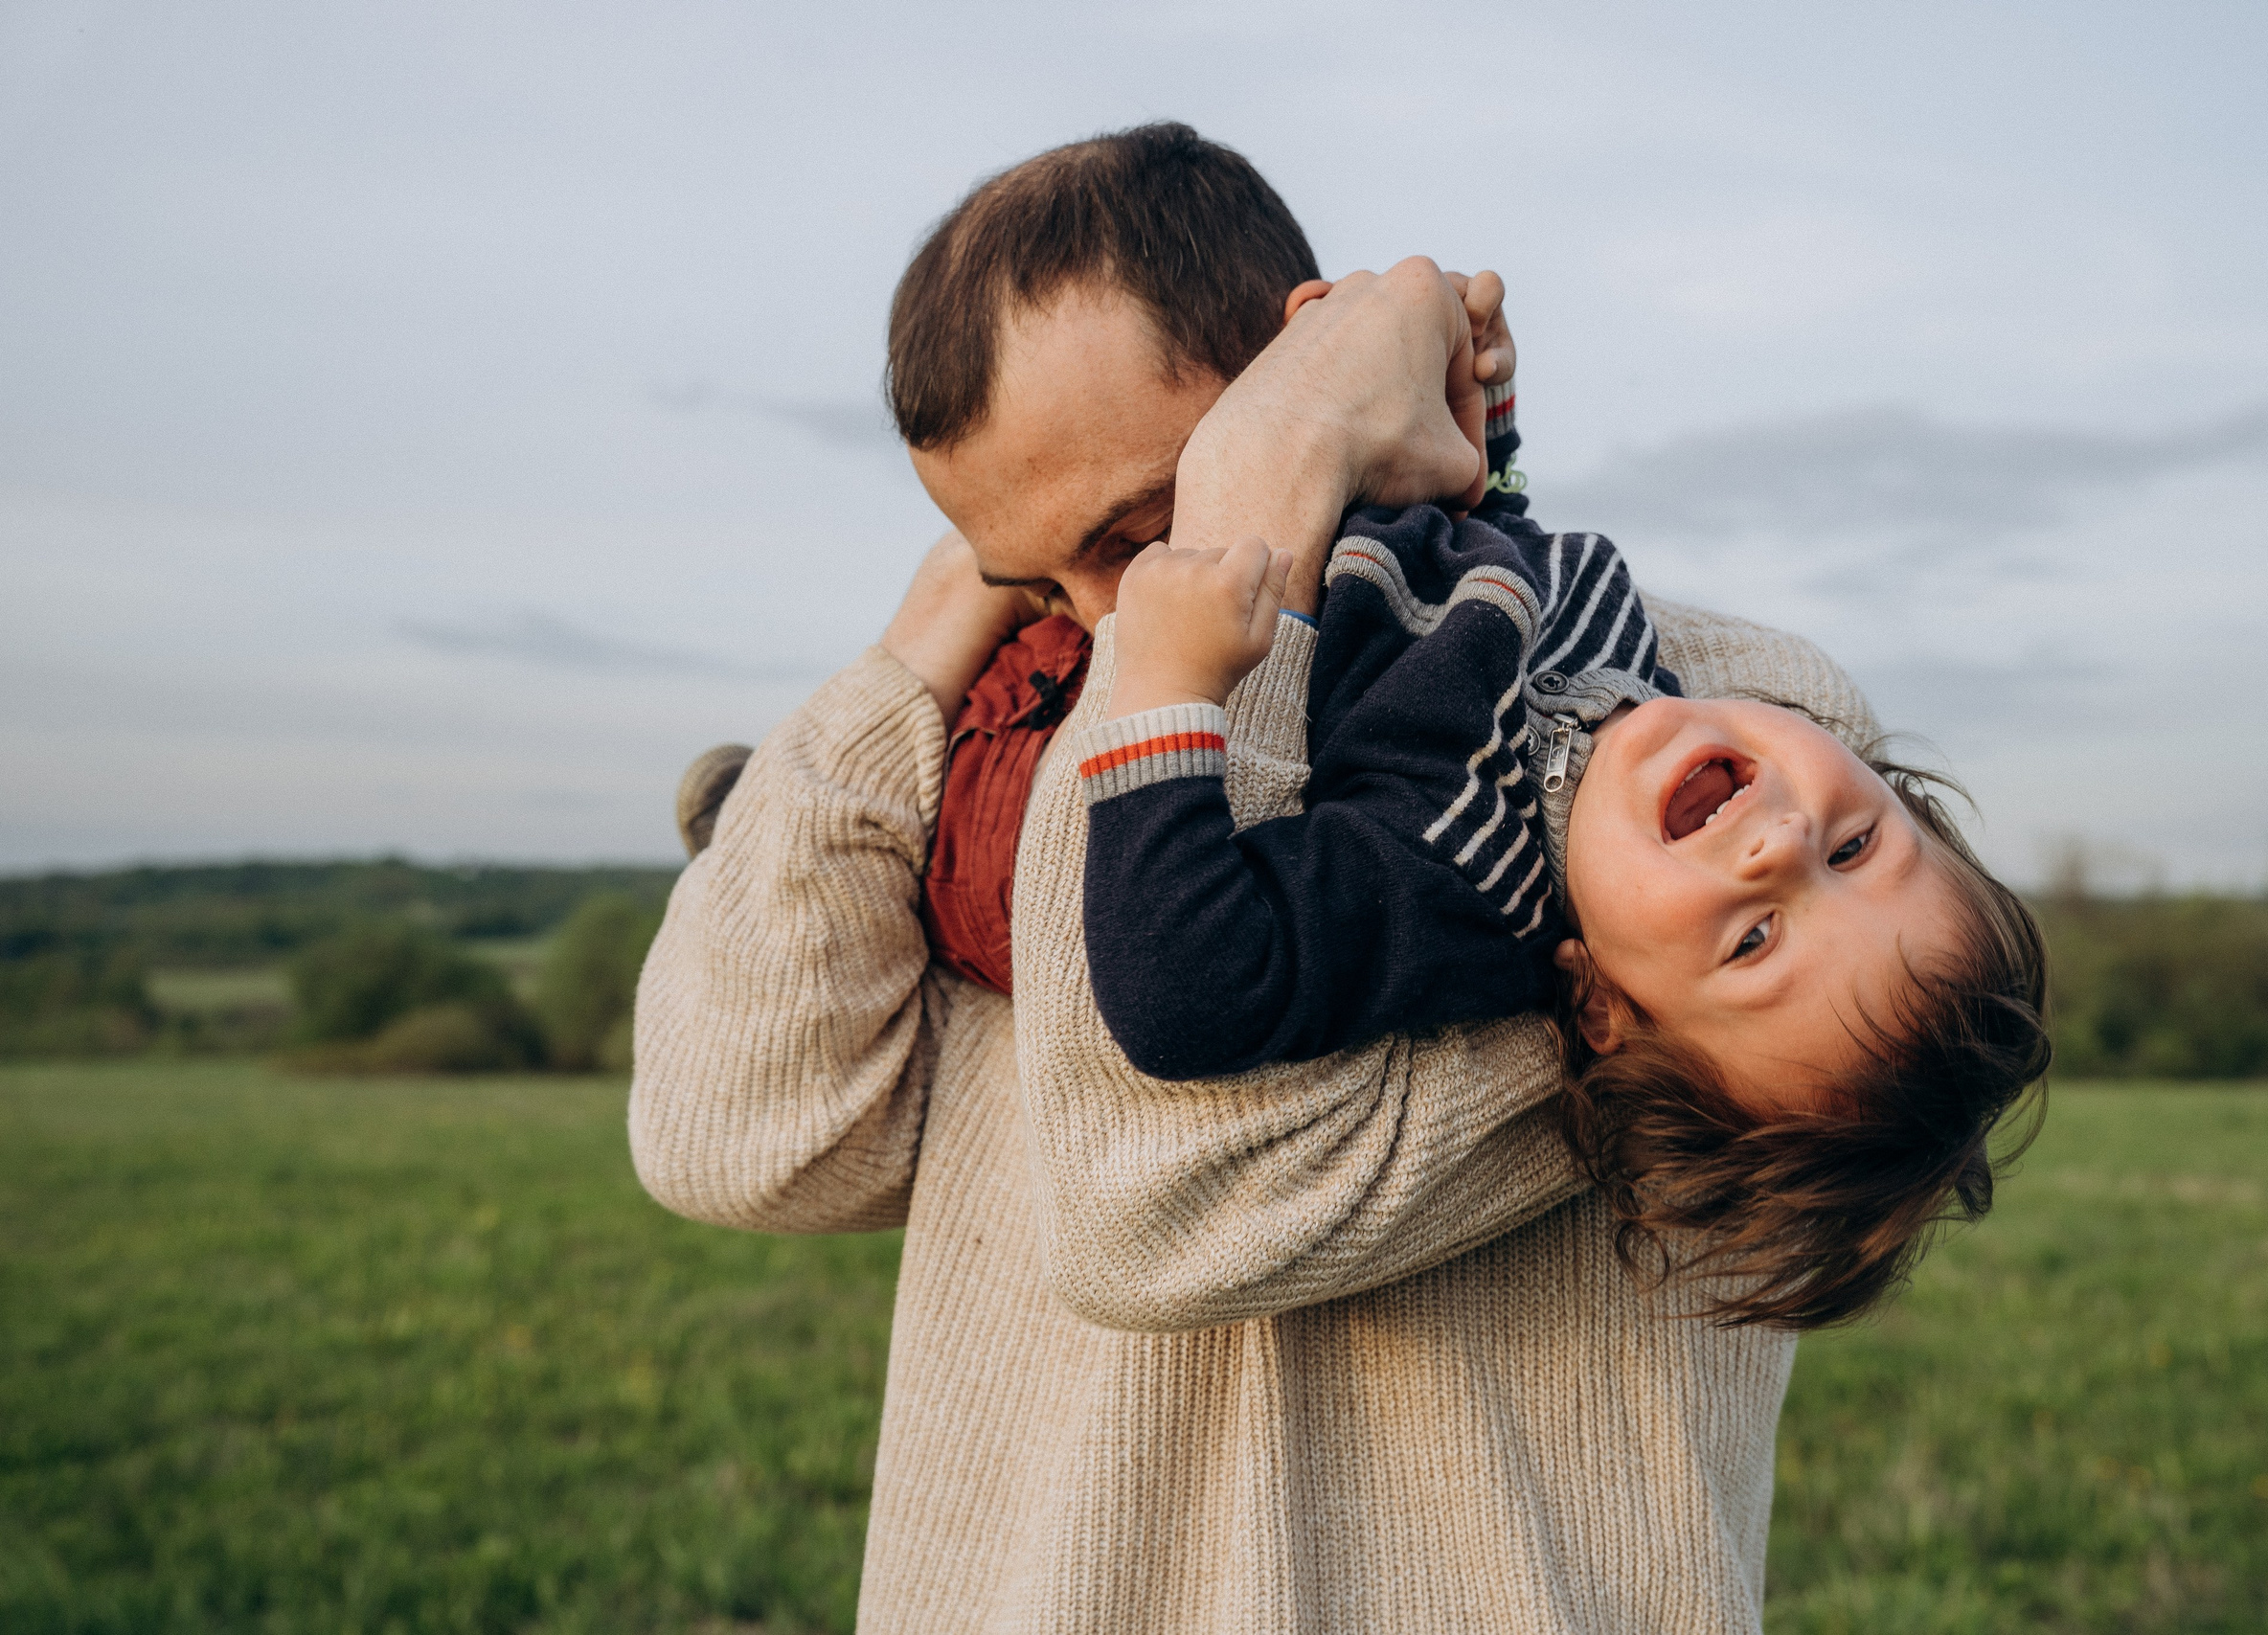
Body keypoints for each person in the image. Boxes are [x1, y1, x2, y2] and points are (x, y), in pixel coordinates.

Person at [631, 123, 1929, 1632]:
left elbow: (1151, 1208)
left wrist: (1264, 499)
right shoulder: (1052, 711)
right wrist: (920, 654)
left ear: (1300, 371)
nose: (1101, 621)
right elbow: (740, 1140)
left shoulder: (1731, 734)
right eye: (1034, 582)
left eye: (1132, 531)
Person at [1076, 413, 2049, 1328]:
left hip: (1127, 588)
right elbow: (1489, 539)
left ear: (1600, 1006)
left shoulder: (1451, 872)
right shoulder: (1633, 660)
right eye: (1854, 847)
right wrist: (1478, 425)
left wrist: (1167, 686)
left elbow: (1190, 990)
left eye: (1753, 941)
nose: (1785, 847)